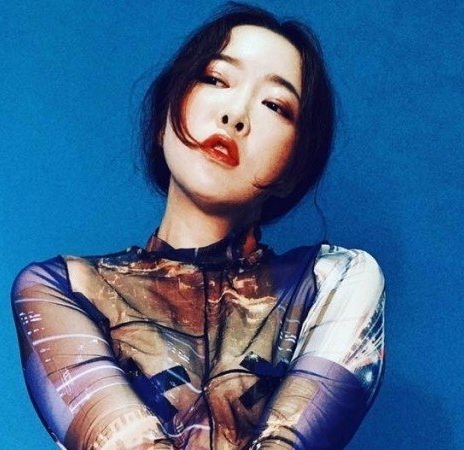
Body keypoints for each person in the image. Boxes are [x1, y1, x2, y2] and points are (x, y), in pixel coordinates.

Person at [11, 4, 385, 450]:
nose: (236, 114)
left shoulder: (331, 281)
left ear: (294, 165)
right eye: (215, 79)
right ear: (164, 118)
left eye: (274, 105)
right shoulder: (67, 288)